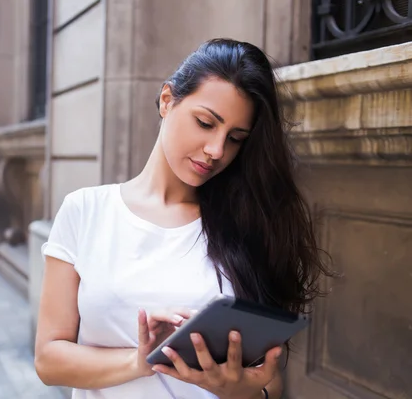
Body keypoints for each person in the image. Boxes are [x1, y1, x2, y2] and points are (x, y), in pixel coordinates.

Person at [34, 38, 331, 399]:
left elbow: (269, 383)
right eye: (206, 123)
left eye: (236, 138)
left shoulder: (246, 225)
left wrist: (242, 391)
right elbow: (49, 360)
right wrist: (141, 361)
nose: (217, 150)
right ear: (166, 100)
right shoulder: (85, 211)